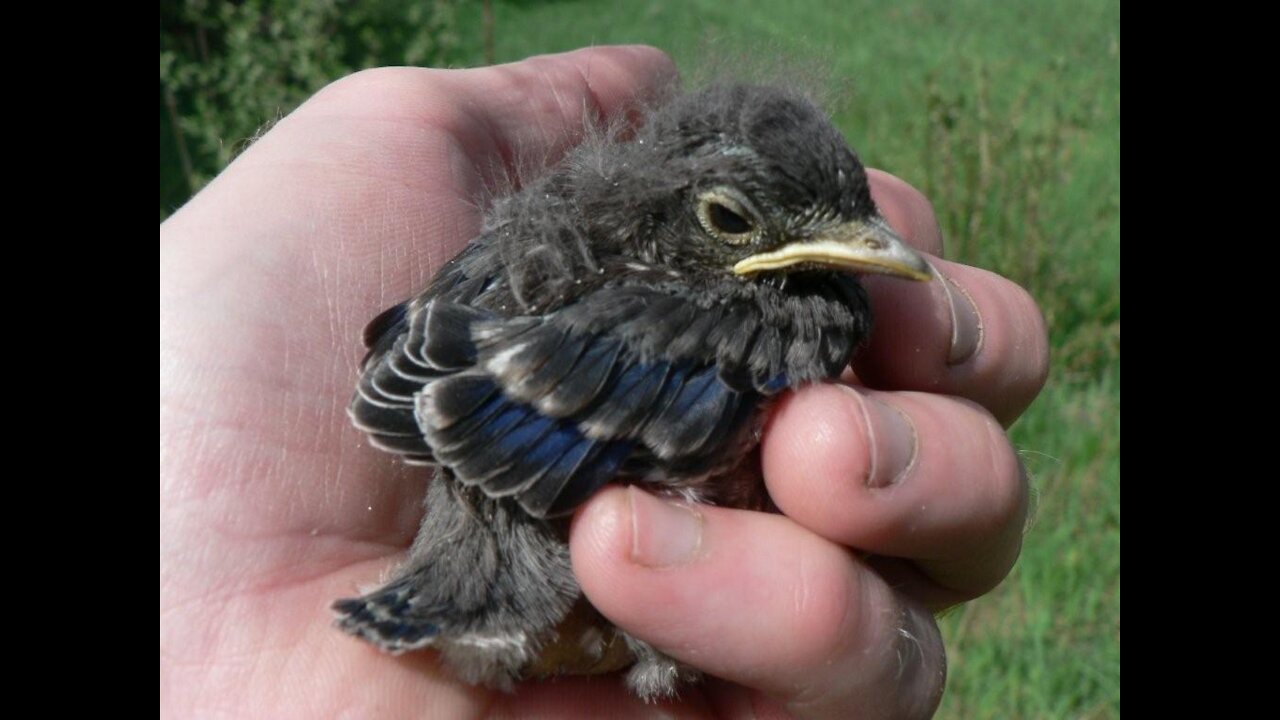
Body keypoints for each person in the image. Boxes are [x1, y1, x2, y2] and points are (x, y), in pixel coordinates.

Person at [159, 46, 1047, 719]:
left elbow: (434, 354)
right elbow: (495, 406)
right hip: (508, 556)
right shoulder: (762, 316)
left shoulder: (781, 289)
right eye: (731, 221)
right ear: (682, 214)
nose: (870, 251)